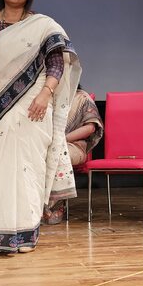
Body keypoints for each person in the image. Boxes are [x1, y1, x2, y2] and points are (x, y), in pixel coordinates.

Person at [0, 0, 81, 253]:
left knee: (26, 169)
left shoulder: (43, 25)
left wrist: (46, 94)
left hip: (33, 105)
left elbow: (57, 63)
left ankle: (23, 234)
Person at [42, 85, 103, 225]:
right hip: (48, 145)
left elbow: (90, 128)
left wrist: (62, 140)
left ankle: (54, 205)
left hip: (73, 146)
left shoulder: (82, 98)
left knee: (57, 156)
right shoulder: (48, 97)